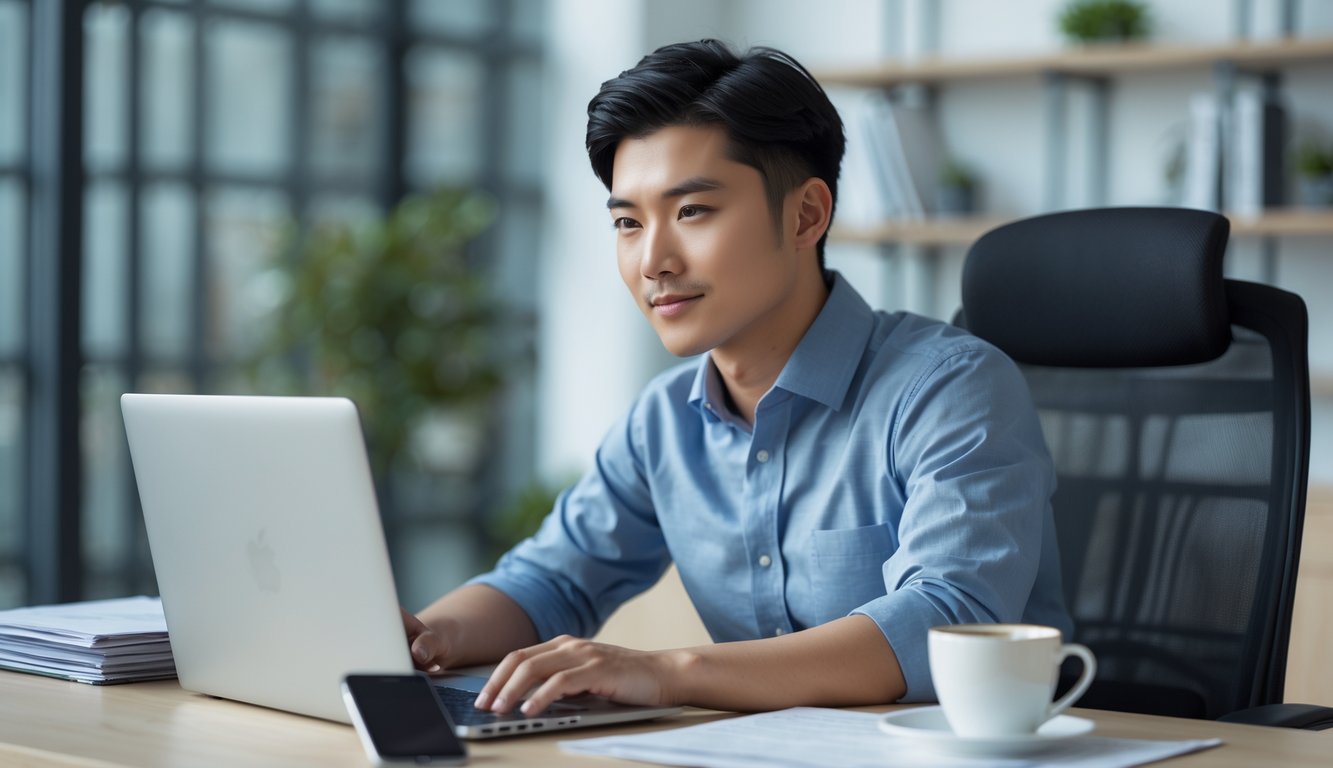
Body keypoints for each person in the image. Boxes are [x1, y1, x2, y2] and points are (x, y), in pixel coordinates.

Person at [401, 38, 1071, 716]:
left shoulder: (949, 389)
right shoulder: (662, 421)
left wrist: (667, 673)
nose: (652, 261)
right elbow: (551, 579)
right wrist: (424, 638)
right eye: (628, 223)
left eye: (692, 211)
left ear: (806, 214)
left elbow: (944, 621)